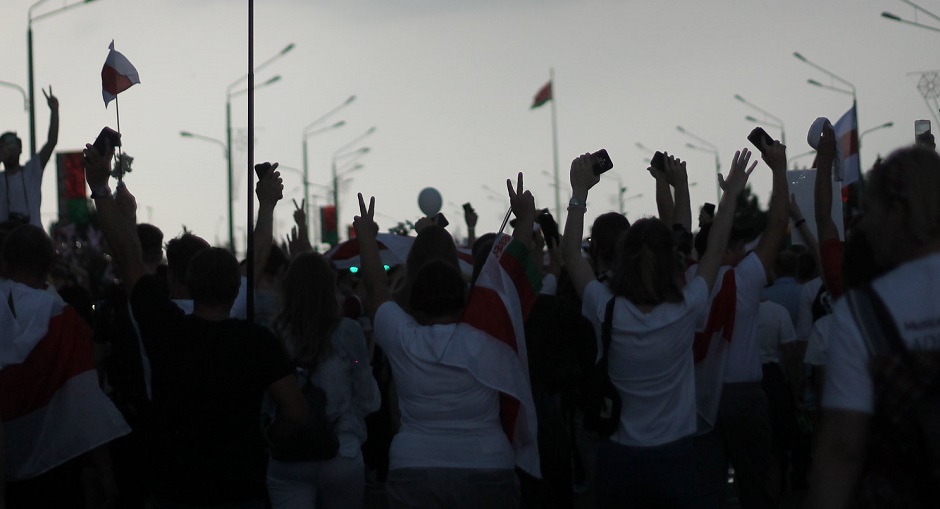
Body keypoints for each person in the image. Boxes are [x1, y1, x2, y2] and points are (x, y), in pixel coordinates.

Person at [82, 137, 309, 508]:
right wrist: (266, 204)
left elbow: (128, 258)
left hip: (177, 488)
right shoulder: (253, 338)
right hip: (242, 487)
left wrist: (102, 189)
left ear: (183, 279)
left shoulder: (166, 327)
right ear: (236, 289)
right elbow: (297, 412)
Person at [561, 148, 753, 507]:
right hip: (675, 457)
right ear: (672, 264)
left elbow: (570, 255)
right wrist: (730, 196)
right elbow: (713, 252)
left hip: (618, 457)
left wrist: (579, 193)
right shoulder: (686, 308)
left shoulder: (606, 309)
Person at [354, 175, 540, 509]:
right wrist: (524, 221)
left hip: (414, 467)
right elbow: (507, 278)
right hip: (488, 467)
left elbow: (376, 288)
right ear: (462, 296)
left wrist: (366, 237)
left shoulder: (401, 336)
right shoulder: (486, 332)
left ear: (416, 301)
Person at [809, 146, 940, 509]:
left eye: (873, 211)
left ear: (899, 214)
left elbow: (843, 449)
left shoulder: (863, 312)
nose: (866, 224)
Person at [1, 224, 129, 508]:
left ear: (5, 264)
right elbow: (84, 398)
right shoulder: (64, 319)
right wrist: (106, 474)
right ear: (50, 264)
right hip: (55, 469)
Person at [266, 252, 381, 509]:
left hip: (289, 452)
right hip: (341, 449)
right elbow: (369, 399)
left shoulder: (273, 333)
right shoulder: (348, 332)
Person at [0, 87, 58, 227]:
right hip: (6, 242)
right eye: (6, 146)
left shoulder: (31, 171)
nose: (10, 150)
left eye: (13, 145)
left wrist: (54, 111)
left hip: (33, 239)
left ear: (20, 149)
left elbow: (51, 142)